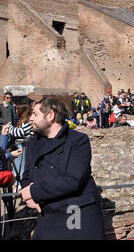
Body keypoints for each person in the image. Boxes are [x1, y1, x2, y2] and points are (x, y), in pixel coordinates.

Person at [19, 98, 104, 239]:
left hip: (76, 212)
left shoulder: (78, 141)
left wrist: (33, 191)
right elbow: (26, 175)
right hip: (47, 212)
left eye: (35, 114)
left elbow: (73, 180)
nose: (31, 118)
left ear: (50, 116)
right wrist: (29, 196)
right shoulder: (34, 142)